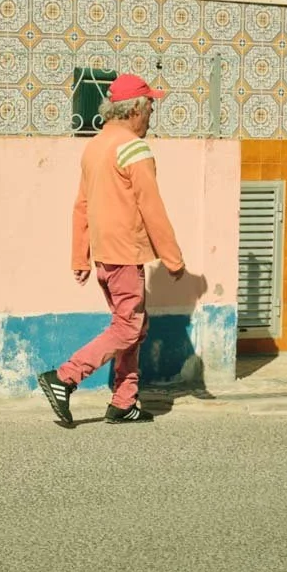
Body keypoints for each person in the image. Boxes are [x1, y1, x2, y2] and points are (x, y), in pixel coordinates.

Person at [39, 74, 184, 426]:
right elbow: (151, 206)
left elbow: (81, 205)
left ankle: (124, 401)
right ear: (134, 108)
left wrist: (80, 257)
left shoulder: (96, 146)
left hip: (105, 255)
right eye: (150, 104)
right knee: (128, 328)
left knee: (134, 324)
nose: (152, 111)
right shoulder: (133, 148)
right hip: (125, 255)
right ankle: (65, 377)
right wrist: (173, 258)